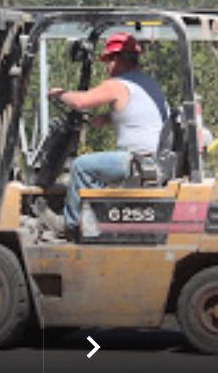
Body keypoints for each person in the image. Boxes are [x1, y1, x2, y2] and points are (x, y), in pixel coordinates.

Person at [47, 32, 169, 236]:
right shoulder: (146, 83)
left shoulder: (117, 84)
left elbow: (80, 102)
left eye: (108, 60)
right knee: (95, 171)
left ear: (119, 59)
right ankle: (94, 218)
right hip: (150, 158)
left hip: (136, 162)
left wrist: (59, 94)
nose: (106, 66)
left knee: (80, 166)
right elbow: (141, 114)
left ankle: (71, 225)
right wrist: (107, 118)